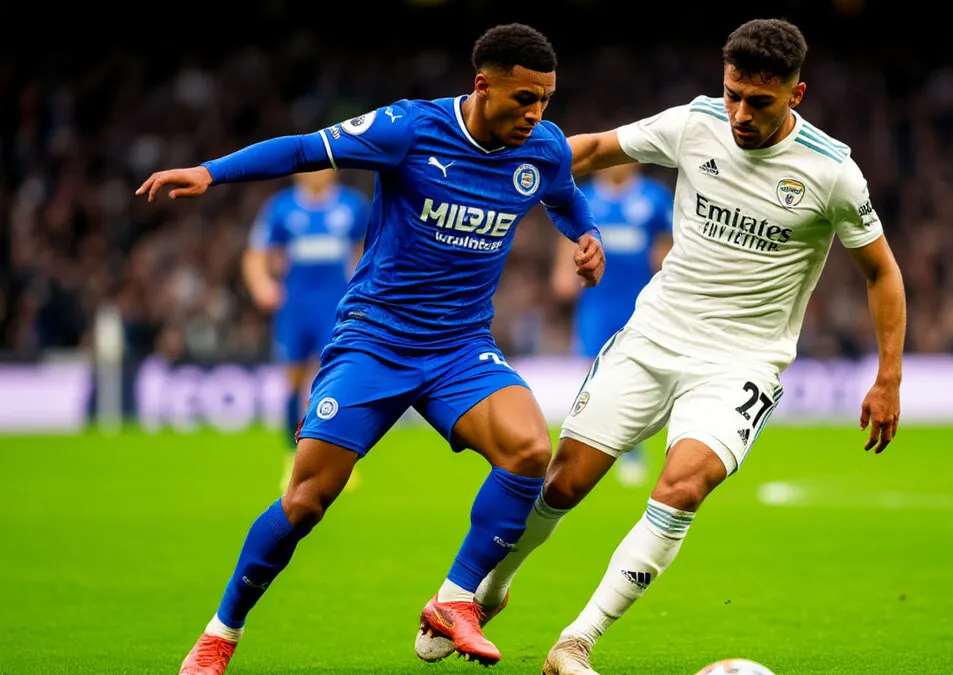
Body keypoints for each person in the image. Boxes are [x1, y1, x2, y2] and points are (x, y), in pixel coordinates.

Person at [415, 18, 907, 673]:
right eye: (731, 92)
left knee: (680, 486)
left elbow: (881, 271)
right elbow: (586, 152)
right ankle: (489, 591)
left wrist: (888, 377)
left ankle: (575, 641)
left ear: (796, 94)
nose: (738, 113)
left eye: (757, 101)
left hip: (739, 364)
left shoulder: (831, 172)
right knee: (562, 482)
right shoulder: (694, 122)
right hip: (652, 337)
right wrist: (495, 166)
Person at [135, 23, 605, 674]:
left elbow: (564, 197)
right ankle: (220, 633)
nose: (535, 114)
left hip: (460, 346)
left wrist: (586, 236)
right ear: (482, 85)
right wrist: (210, 173)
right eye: (522, 98)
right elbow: (304, 151)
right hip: (375, 340)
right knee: (304, 501)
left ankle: (455, 598)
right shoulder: (410, 129)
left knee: (529, 449)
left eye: (544, 100)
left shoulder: (544, 148)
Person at [242, 168, 369, 491]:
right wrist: (262, 286)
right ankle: (292, 459)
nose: (319, 173)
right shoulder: (281, 208)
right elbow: (256, 254)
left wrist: (365, 291)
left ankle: (339, 461)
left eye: (326, 167)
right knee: (294, 381)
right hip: (296, 308)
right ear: (298, 175)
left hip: (337, 307)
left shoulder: (351, 206)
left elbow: (363, 253)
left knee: (336, 383)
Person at [551, 162, 673, 487]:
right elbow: (570, 236)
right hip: (597, 303)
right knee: (594, 375)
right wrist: (563, 270)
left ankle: (632, 449)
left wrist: (667, 271)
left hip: (641, 302)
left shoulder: (654, 197)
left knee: (638, 374)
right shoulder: (586, 197)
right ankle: (584, 447)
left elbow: (667, 241)